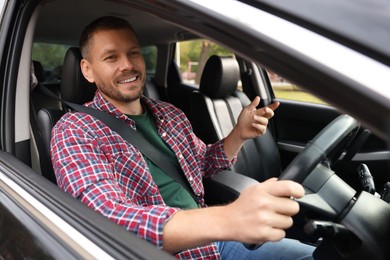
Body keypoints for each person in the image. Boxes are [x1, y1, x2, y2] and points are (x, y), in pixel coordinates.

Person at [51, 16, 314, 259]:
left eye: (133, 53)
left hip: (213, 241)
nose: (127, 65)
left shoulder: (170, 114)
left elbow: (201, 164)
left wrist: (239, 134)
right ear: (87, 70)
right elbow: (107, 219)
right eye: (111, 57)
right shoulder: (74, 130)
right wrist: (228, 219)